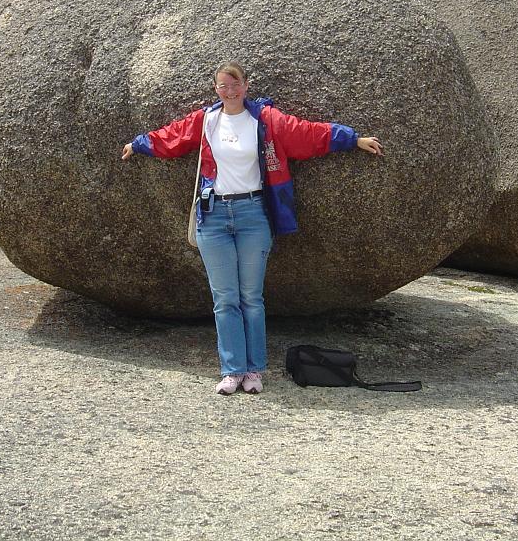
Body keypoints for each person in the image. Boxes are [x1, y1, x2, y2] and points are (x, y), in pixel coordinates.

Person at [121, 62, 383, 395]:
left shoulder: (265, 120)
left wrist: (352, 139)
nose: (229, 91)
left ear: (246, 86)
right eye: (222, 86)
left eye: (235, 85)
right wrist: (140, 144)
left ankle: (254, 371)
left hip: (252, 215)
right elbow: (173, 136)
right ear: (215, 89)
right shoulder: (207, 120)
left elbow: (307, 133)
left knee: (251, 298)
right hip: (213, 216)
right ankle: (232, 370)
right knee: (225, 298)